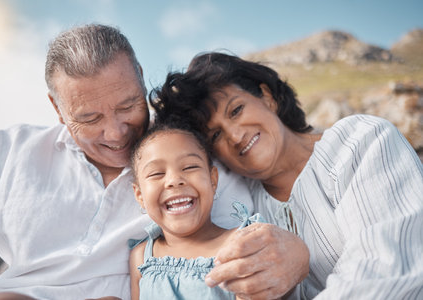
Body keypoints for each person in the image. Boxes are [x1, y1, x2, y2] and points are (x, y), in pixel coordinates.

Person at [0, 25, 308, 300]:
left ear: (140, 77)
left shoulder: (197, 155)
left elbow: (280, 187)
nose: (116, 132)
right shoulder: (10, 150)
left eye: (127, 106)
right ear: (57, 109)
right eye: (89, 118)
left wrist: (297, 254)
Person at [150, 51, 423, 299]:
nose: (234, 135)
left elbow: (384, 272)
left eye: (236, 110)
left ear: (267, 97)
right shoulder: (245, 209)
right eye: (216, 135)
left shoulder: (360, 141)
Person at [129, 121, 264, 300]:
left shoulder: (244, 243)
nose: (174, 180)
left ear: (213, 180)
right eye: (156, 174)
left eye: (190, 167)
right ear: (140, 196)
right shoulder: (141, 258)